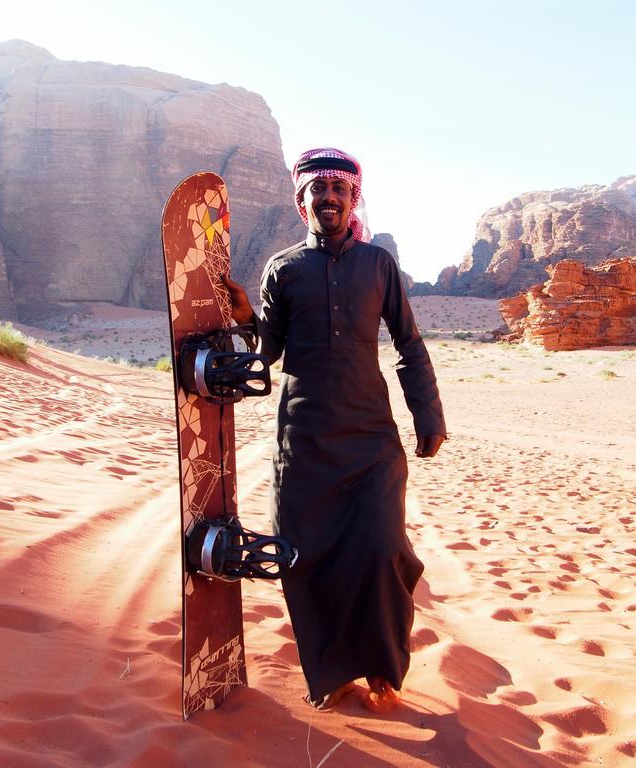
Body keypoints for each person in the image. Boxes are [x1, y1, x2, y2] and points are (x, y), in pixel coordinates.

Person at [223, 147, 446, 713]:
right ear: (303, 204)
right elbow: (267, 351)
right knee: (308, 555)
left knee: (381, 547)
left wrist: (429, 415)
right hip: (304, 441)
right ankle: (331, 671)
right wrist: (248, 317)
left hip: (371, 439)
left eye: (338, 190)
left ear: (353, 199)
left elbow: (409, 344)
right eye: (317, 191)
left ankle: (382, 668)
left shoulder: (378, 266)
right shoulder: (284, 269)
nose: (329, 198)